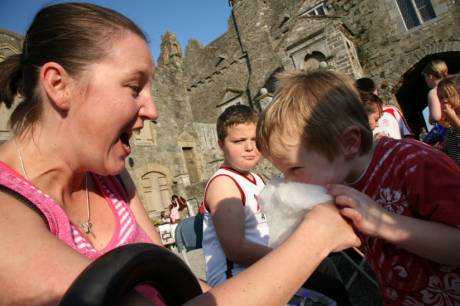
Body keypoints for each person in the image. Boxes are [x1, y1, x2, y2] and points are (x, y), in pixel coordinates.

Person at [0, 3, 360, 306]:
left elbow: (178, 285)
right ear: (59, 85)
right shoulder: (6, 214)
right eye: (134, 86)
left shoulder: (110, 176)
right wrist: (314, 239)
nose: (153, 110)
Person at [257, 70, 460, 306]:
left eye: (295, 168)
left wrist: (381, 222)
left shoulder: (412, 163)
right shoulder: (341, 180)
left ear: (349, 143)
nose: (288, 182)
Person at [201, 104, 351, 305]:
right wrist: (294, 255)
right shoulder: (224, 184)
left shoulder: (258, 179)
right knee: (331, 290)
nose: (249, 147)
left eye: (255, 140)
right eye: (238, 141)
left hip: (265, 266)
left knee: (326, 267)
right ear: (221, 145)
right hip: (239, 279)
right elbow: (235, 249)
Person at [437, 75, 460, 166]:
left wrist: (453, 117)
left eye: (448, 96)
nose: (444, 101)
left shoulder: (454, 119)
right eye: (441, 98)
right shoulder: (451, 126)